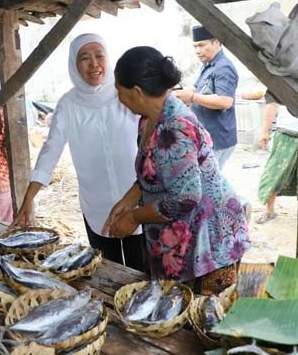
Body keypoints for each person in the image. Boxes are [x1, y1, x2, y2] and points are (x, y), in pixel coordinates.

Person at [104, 46, 250, 295]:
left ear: (137, 92)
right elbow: (153, 172)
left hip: (208, 239)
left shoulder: (175, 128)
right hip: (181, 235)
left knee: (201, 317)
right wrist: (129, 200)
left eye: (119, 91)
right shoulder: (148, 120)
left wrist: (134, 217)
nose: (118, 98)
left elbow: (185, 198)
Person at [11, 33, 146, 272]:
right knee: (108, 272)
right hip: (97, 205)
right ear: (74, 64)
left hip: (136, 199)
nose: (94, 64)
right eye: (85, 58)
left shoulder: (125, 95)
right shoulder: (68, 105)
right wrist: (29, 198)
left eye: (99, 56)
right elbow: (50, 151)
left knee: (143, 270)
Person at [174, 26, 239, 169]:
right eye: (195, 46)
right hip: (207, 136)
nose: (197, 51)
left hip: (218, 138)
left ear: (216, 42)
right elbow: (195, 88)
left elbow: (225, 101)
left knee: (209, 183)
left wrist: (191, 97)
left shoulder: (223, 67)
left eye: (202, 45)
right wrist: (177, 94)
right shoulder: (208, 65)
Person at [255, 95, 298, 224]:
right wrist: (265, 131)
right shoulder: (281, 78)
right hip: (285, 133)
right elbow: (272, 104)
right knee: (273, 174)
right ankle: (269, 211)